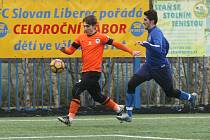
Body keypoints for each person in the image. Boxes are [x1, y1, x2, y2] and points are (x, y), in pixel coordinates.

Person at [57, 15, 140, 126]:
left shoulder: (101, 37)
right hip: (85, 72)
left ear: (94, 26)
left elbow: (117, 44)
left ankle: (69, 118)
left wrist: (131, 52)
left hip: (94, 72)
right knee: (98, 97)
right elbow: (70, 51)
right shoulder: (80, 38)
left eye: (87, 26)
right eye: (84, 26)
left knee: (76, 89)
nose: (85, 28)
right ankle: (121, 111)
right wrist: (63, 50)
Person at [116, 9, 198, 122]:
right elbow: (165, 46)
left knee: (170, 92)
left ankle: (190, 97)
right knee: (131, 84)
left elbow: (159, 48)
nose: (143, 22)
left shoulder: (156, 32)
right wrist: (149, 47)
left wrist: (146, 44)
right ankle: (128, 114)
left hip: (161, 69)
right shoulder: (150, 32)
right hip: (149, 67)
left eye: (145, 20)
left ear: (152, 21)